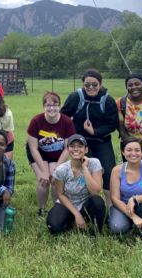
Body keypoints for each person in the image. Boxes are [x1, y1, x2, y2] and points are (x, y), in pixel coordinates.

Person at [60, 69, 118, 207]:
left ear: (100, 84)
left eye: (94, 84)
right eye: (87, 85)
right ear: (83, 85)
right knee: (83, 172)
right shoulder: (75, 97)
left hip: (102, 141)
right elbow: (64, 117)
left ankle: (111, 206)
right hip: (81, 144)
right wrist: (71, 134)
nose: (91, 87)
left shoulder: (108, 100)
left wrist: (94, 131)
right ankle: (85, 203)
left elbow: (113, 124)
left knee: (109, 172)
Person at [27, 92, 76, 218]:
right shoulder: (36, 121)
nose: (51, 108)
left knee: (56, 179)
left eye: (55, 105)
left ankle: (56, 209)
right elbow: (33, 149)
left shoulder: (67, 122)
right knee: (43, 180)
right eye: (48, 105)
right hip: (39, 152)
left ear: (59, 106)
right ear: (43, 106)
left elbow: (67, 148)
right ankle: (42, 210)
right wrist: (43, 171)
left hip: (57, 154)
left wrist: (56, 169)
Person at [46, 134, 106, 235]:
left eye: (80, 146)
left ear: (86, 150)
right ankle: (73, 221)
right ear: (68, 149)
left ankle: (96, 233)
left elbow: (95, 191)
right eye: (72, 146)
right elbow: (60, 194)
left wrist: (85, 168)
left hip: (87, 204)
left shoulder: (94, 163)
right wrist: (76, 214)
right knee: (53, 226)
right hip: (68, 204)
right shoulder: (62, 169)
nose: (76, 149)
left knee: (98, 201)